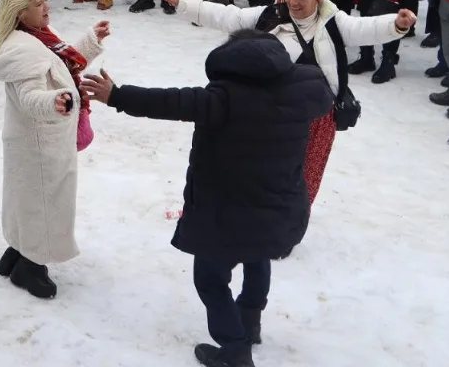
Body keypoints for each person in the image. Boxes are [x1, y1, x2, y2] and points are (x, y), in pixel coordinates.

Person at [81, 29, 332, 367]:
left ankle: (234, 351)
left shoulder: (225, 98)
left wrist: (116, 95)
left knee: (211, 279)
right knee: (258, 257)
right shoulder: (299, 90)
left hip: (226, 214)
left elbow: (170, 101)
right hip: (278, 207)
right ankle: (250, 321)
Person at [163, 0, 415, 205]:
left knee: (305, 174)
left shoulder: (334, 23)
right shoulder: (269, 15)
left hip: (315, 115)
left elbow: (366, 28)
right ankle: (261, 210)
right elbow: (230, 16)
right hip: (271, 111)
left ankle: (292, 222)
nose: (293, 2)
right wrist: (185, 3)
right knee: (266, 167)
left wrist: (397, 24)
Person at [0, 0, 110, 300]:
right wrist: (54, 103)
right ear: (20, 12)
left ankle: (16, 251)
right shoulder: (24, 50)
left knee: (26, 201)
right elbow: (30, 95)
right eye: (37, 4)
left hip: (36, 141)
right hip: (40, 143)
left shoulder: (35, 38)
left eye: (45, 0)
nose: (46, 8)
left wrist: (90, 40)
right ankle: (31, 266)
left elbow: (60, 66)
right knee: (43, 204)